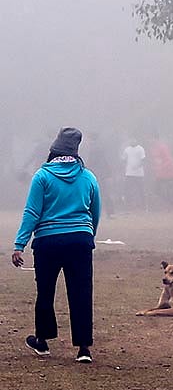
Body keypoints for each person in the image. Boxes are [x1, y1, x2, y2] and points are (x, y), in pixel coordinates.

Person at [11, 127, 100, 363]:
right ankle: (83, 348)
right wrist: (89, 235)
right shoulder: (87, 177)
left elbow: (32, 212)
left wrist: (20, 243)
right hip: (80, 241)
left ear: (53, 151)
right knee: (81, 292)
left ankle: (42, 341)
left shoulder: (42, 177)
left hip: (48, 242)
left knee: (46, 291)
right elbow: (95, 210)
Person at [150, 132, 173, 212]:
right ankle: (171, 205)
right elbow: (157, 160)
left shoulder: (162, 147)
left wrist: (161, 167)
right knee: (157, 191)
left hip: (169, 173)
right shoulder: (153, 148)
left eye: (151, 138)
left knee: (170, 192)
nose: (149, 140)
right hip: (160, 174)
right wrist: (155, 168)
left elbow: (169, 160)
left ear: (155, 138)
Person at [121, 137, 146, 211]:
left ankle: (144, 207)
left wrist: (138, 166)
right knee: (127, 190)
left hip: (139, 174)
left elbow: (143, 160)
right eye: (131, 139)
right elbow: (124, 159)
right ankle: (127, 206)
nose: (133, 141)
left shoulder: (140, 149)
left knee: (141, 190)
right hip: (129, 173)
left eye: (134, 139)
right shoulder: (127, 149)